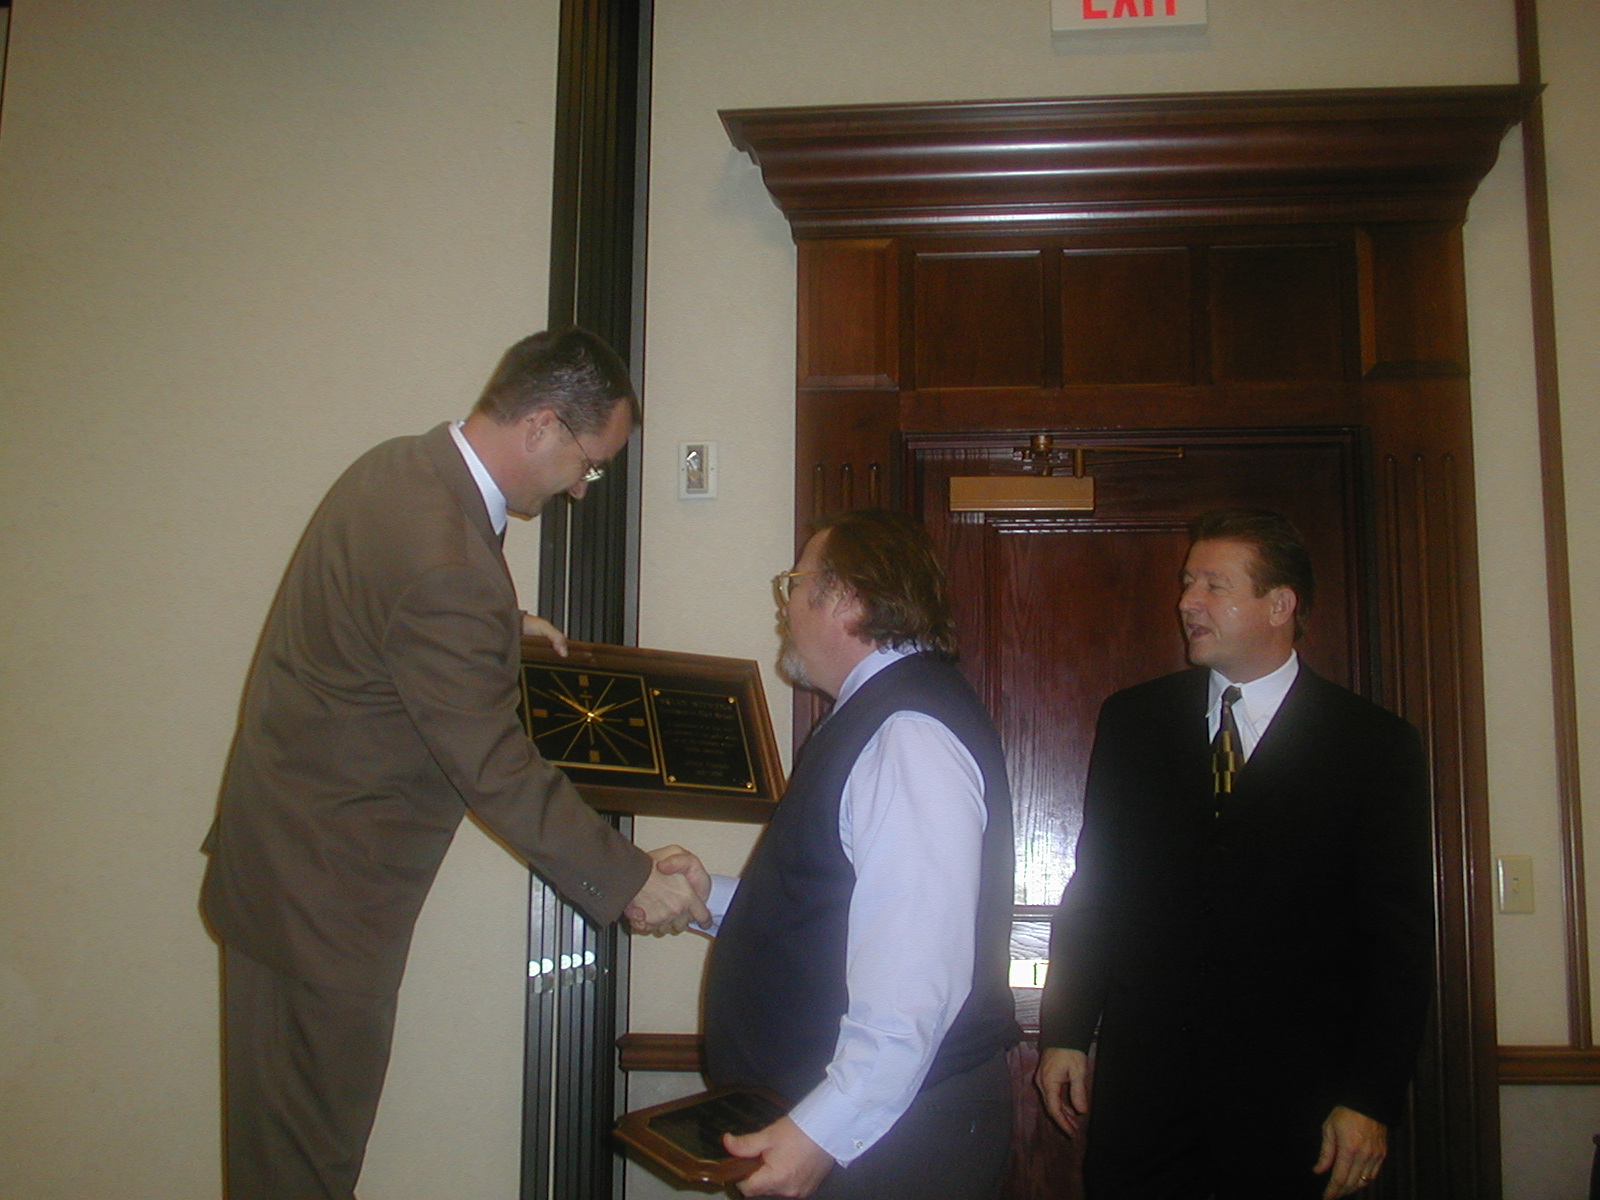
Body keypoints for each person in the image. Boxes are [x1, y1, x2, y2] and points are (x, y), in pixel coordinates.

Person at [200, 327, 709, 1200]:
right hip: (322, 912)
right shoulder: (447, 563)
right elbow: (493, 766)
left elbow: (389, 605)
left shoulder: (398, 469)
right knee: (303, 1171)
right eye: (590, 464)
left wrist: (502, 627)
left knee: (279, 1162)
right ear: (542, 424)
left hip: (283, 878)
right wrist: (629, 878)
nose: (581, 489)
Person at [1034, 509, 1435, 1200]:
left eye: (1214, 585)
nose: (1187, 602)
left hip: (1295, 1114)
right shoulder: (1134, 721)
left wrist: (1371, 1098)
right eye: (1187, 582)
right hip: (1146, 1110)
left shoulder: (1373, 744)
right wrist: (1065, 1030)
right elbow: (1096, 891)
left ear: (1280, 605)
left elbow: (1397, 944)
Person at [663, 509, 1019, 1199]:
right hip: (876, 1133)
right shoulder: (873, 718)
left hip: (897, 1142)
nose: (784, 606)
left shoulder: (906, 731)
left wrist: (824, 1131)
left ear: (849, 599)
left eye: (794, 584)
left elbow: (916, 975)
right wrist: (712, 900)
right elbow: (833, 908)